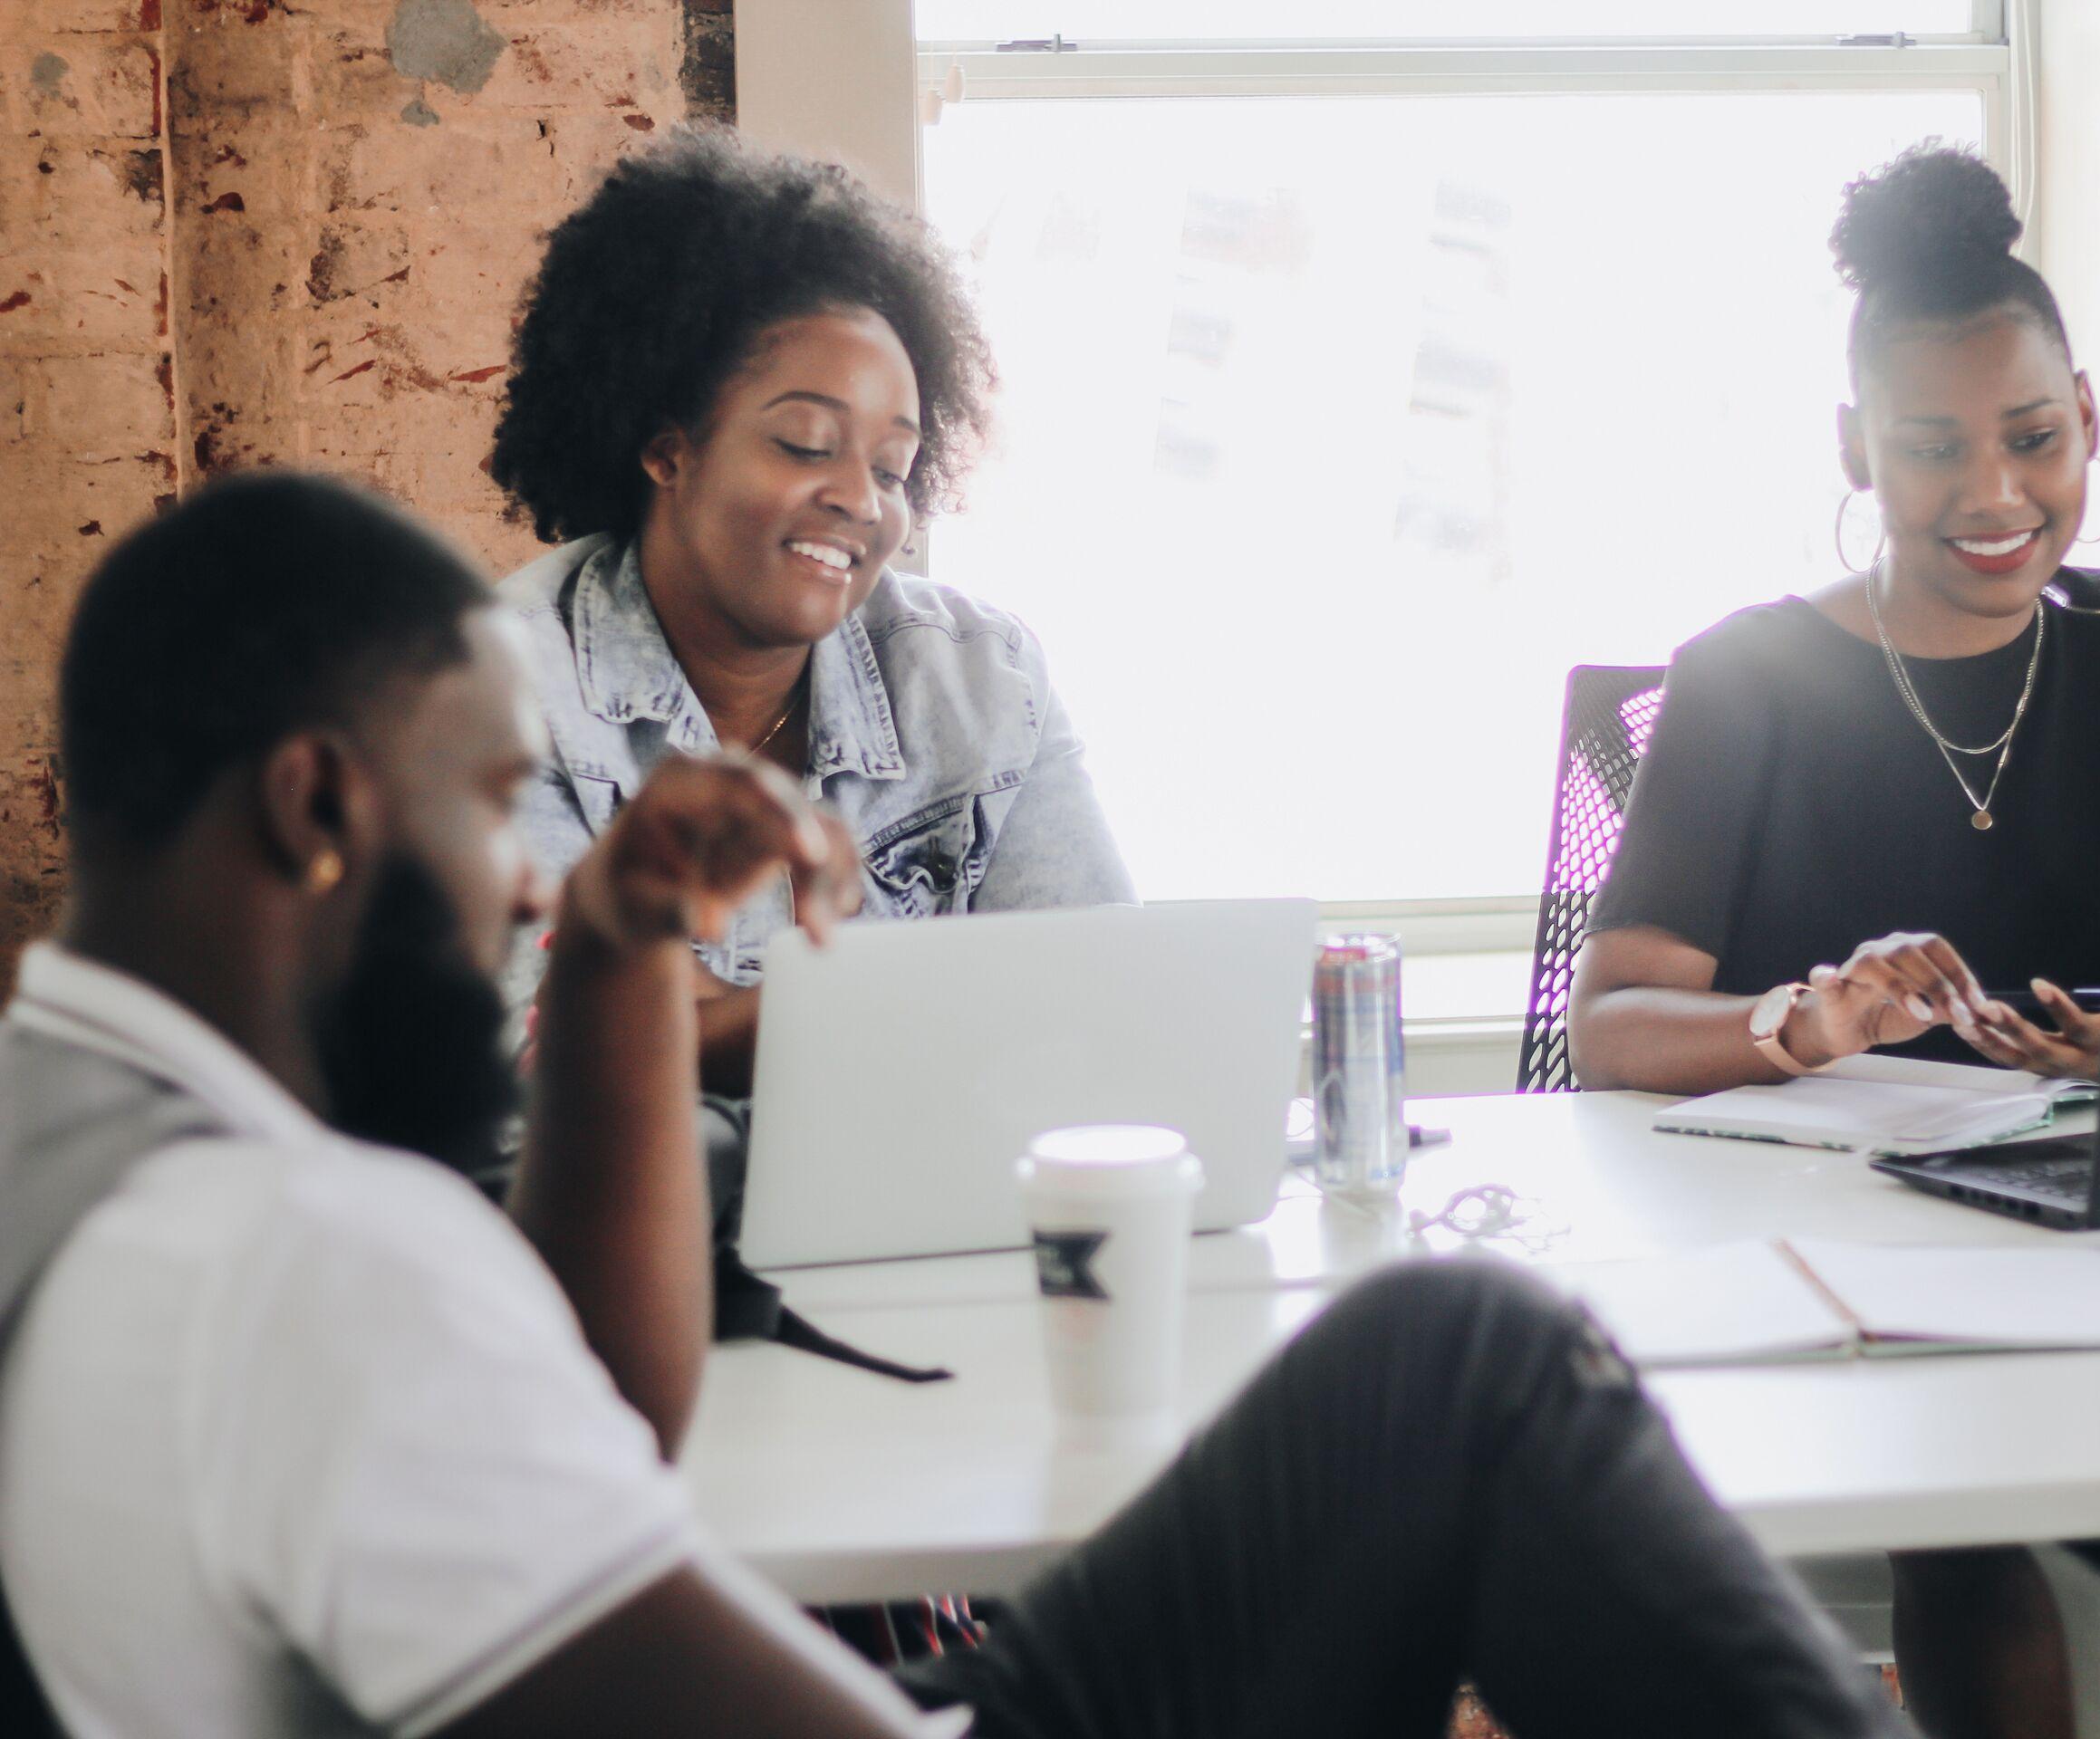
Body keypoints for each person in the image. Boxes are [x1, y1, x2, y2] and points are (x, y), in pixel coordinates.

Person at [0, 471, 1909, 1739]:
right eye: (494, 802)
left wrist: (613, 956)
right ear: (323, 810)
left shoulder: (65, 1128)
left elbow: (605, 1411)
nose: (520, 870)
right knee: (1468, 1362)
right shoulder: (306, 1262)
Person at [1569, 146, 2100, 1739]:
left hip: (2076, 1213)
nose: (1994, 496)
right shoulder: (1748, 675)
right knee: (1966, 1524)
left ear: (2087, 420)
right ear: (1855, 450)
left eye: (2034, 440)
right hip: (1836, 1236)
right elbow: (1607, 1024)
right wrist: (1804, 1025)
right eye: (1931, 449)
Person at [488, 125, 1132, 1106]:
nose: (861, 502)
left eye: (891, 468)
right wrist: (949, 1010)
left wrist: (715, 1014)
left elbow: (1104, 1003)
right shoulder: (500, 685)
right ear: (669, 449)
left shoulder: (981, 683)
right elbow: (548, 1045)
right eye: (803, 444)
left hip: (926, 1233)